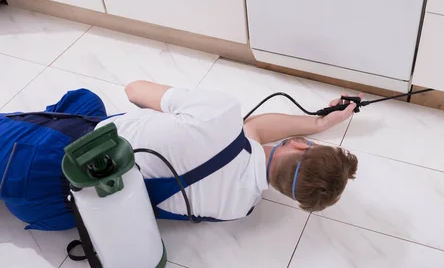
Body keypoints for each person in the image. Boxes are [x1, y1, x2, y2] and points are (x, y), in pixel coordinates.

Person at [0, 81, 359, 231]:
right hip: (55, 215)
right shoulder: (239, 208)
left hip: (41, 159)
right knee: (85, 102)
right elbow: (253, 132)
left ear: (297, 145)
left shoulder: (220, 113)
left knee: (82, 107)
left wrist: (316, 125)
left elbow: (134, 89)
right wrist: (317, 123)